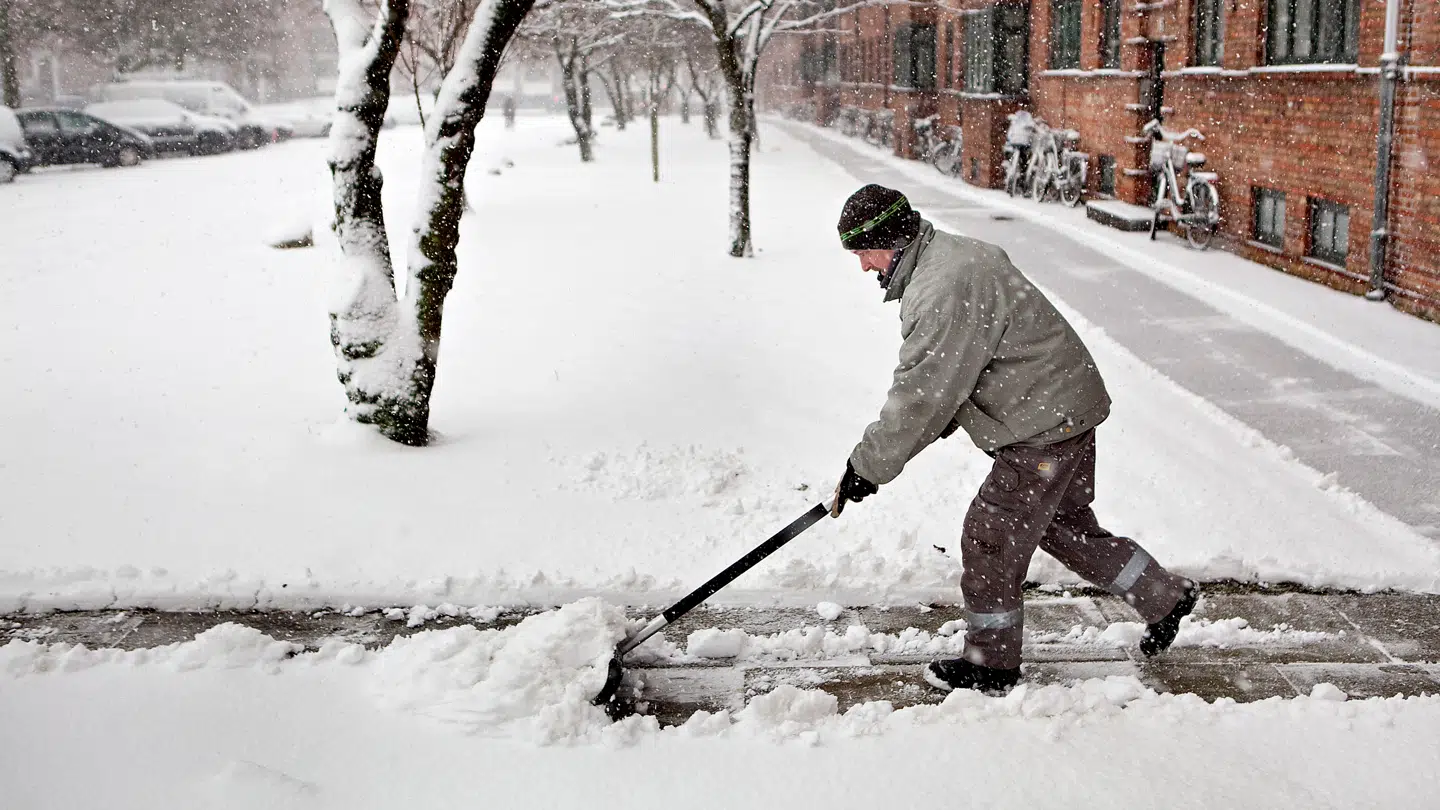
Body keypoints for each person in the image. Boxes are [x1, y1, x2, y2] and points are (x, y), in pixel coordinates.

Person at [828, 184, 1198, 695]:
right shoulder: (952, 257)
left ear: (889, 240)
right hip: (1065, 409)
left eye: (864, 252)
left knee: (991, 537)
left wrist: (867, 467)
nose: (864, 267)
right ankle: (1163, 595)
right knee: (1062, 525)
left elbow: (923, 396)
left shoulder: (941, 290)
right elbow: (946, 389)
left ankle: (991, 664)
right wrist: (884, 458)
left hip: (1041, 429)